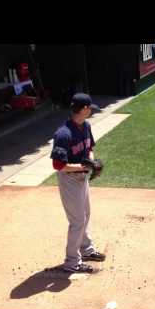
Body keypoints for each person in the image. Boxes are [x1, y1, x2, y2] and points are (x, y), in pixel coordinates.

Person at [50, 93, 106, 273]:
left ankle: (86, 249)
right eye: (90, 108)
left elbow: (89, 148)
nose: (91, 111)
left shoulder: (85, 126)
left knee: (86, 214)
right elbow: (58, 165)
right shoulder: (63, 134)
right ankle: (72, 262)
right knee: (77, 221)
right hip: (70, 180)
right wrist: (83, 166)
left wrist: (91, 162)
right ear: (83, 109)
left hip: (81, 177)